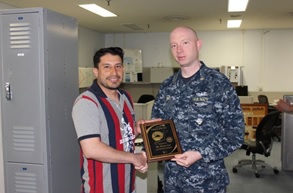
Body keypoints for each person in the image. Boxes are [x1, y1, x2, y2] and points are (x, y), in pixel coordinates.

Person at [151, 26, 245, 193]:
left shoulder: (218, 84)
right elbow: (158, 127)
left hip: (208, 182)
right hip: (173, 181)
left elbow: (235, 134)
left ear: (198, 45)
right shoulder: (167, 86)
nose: (179, 49)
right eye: (173, 45)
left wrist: (201, 153)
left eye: (185, 42)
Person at [72, 47, 151, 193]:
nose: (114, 73)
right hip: (101, 188)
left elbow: (120, 135)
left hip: (127, 185)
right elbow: (91, 149)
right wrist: (134, 158)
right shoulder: (87, 102)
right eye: (107, 67)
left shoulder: (126, 97)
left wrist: (137, 130)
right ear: (96, 71)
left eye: (118, 66)